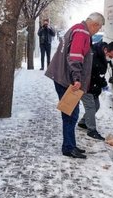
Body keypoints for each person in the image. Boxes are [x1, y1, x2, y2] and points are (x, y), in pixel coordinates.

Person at [45, 12, 105, 159]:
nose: (97, 31)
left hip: (63, 76)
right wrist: (77, 78)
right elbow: (75, 57)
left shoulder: (77, 28)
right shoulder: (82, 32)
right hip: (68, 79)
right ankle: (68, 147)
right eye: (98, 29)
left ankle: (70, 144)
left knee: (69, 114)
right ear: (94, 24)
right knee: (71, 114)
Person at [78, 41, 113, 140]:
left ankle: (83, 122)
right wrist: (104, 84)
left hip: (93, 85)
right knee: (91, 107)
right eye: (110, 56)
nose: (111, 58)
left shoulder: (102, 52)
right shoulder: (94, 56)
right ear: (106, 50)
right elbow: (95, 74)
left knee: (96, 106)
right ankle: (91, 130)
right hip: (85, 84)